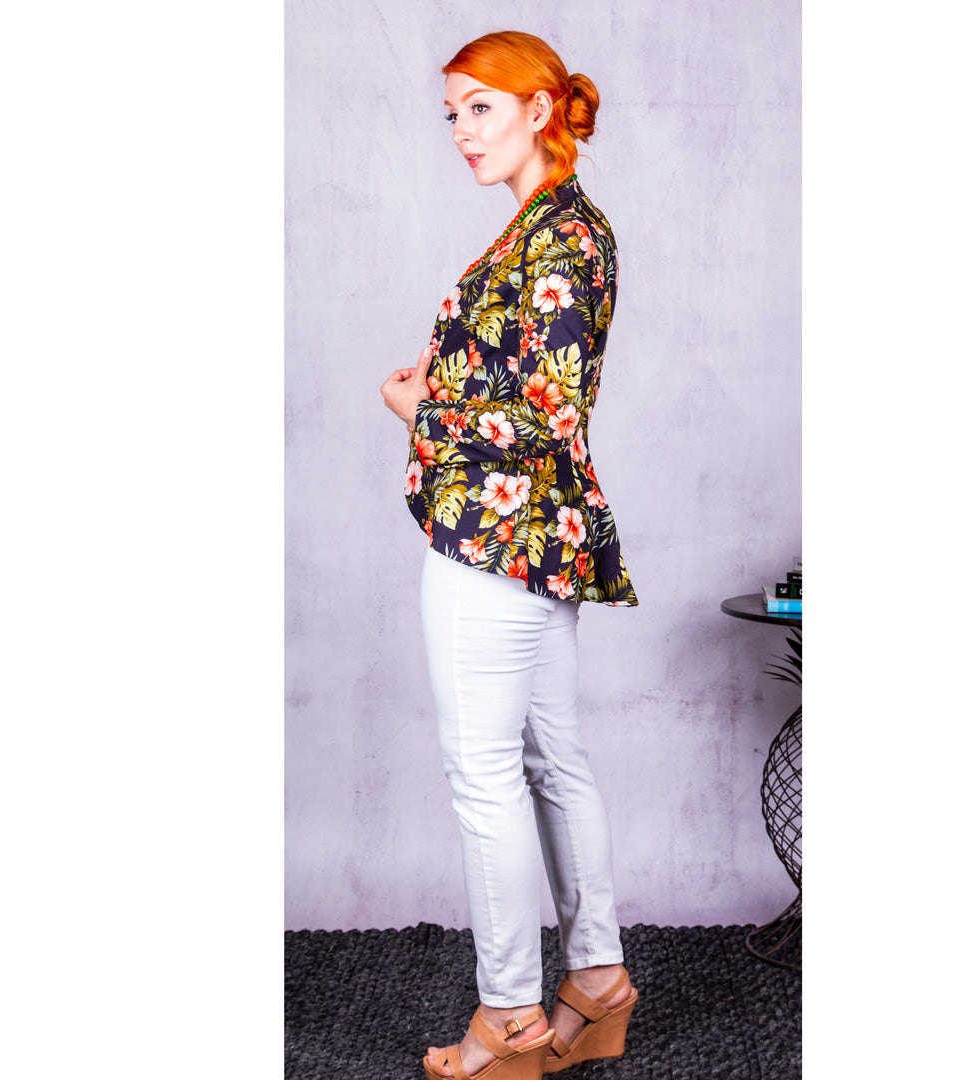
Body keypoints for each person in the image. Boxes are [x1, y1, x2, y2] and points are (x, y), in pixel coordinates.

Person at [380, 30, 638, 1080]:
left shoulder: (563, 236)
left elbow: (550, 414)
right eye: (451, 112)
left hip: (498, 539)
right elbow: (529, 388)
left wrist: (421, 411)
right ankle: (597, 983)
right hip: (528, 539)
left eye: (480, 107)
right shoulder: (545, 226)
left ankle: (510, 1020)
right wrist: (444, 390)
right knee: (548, 758)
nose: (460, 130)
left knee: (483, 771)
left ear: (539, 110)